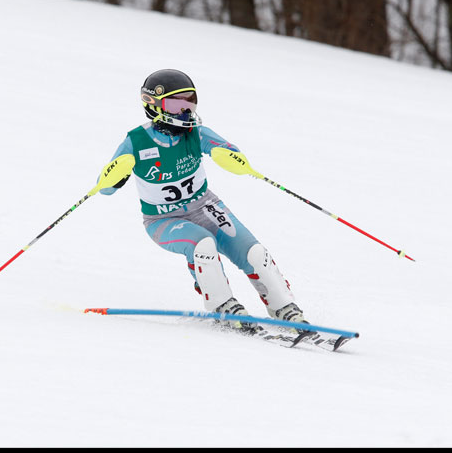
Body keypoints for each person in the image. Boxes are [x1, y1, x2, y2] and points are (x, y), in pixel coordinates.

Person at [100, 69, 307, 333]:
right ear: (153, 105)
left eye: (190, 103)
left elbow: (232, 154)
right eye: (176, 105)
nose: (185, 112)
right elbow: (104, 189)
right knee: (202, 244)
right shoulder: (136, 141)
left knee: (254, 253)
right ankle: (222, 305)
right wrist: (117, 175)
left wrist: (228, 156)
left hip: (206, 207)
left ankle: (284, 308)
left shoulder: (197, 133)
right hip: (163, 220)